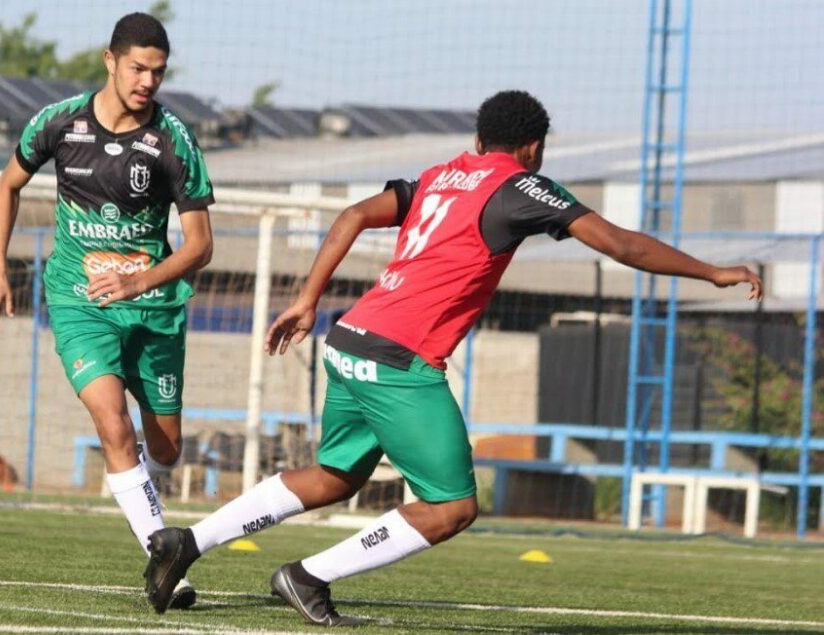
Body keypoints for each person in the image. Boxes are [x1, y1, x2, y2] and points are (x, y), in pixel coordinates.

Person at [142, 90, 762, 625]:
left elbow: (355, 213)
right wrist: (711, 273)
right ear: (534, 148)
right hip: (397, 358)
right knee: (453, 506)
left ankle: (186, 541)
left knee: (337, 476)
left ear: (478, 137)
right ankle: (308, 577)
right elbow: (621, 245)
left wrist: (309, 299)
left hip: (351, 339)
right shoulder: (522, 186)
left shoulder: (440, 176)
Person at [0, 12, 214, 609]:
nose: (148, 82)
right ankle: (168, 563)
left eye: (158, 72)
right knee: (114, 427)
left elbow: (201, 246)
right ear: (110, 61)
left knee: (165, 449)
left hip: (153, 308)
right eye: (138, 68)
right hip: (79, 301)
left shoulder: (172, 141)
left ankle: (159, 532)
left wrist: (139, 284)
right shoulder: (59, 123)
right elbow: (7, 184)